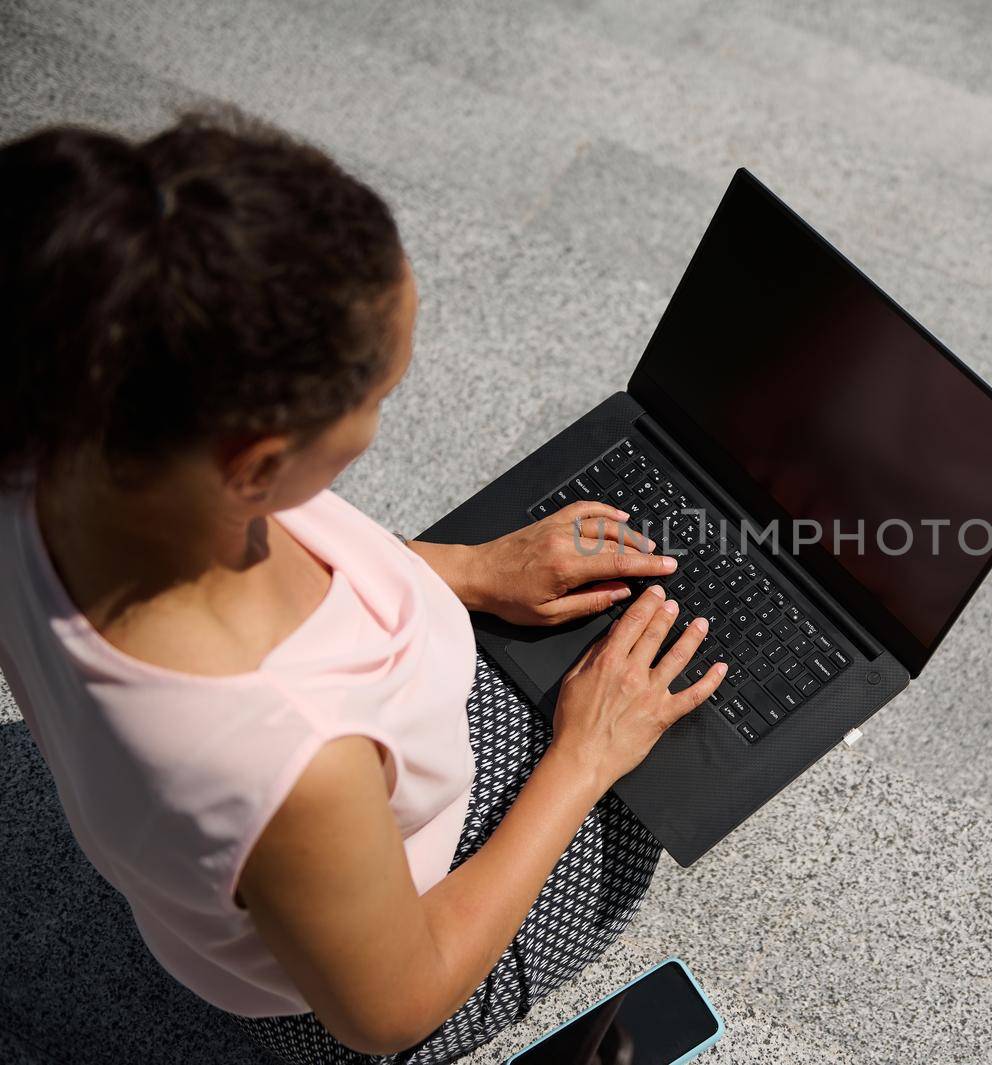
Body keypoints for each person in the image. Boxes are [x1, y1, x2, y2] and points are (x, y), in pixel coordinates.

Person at [0, 109, 726, 1064]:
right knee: (640, 817)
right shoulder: (284, 761)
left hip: (250, 875)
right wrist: (582, 759)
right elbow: (392, 1006)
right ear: (254, 466)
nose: (381, 415)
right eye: (378, 398)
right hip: (350, 980)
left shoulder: (54, 430)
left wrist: (469, 569)